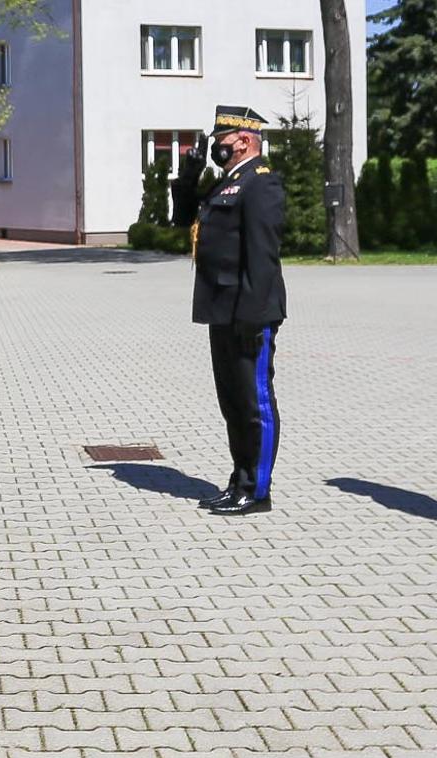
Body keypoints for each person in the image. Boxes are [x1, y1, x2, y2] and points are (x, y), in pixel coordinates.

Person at [170, 105, 286, 517]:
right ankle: (239, 479)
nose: (215, 147)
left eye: (219, 141)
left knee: (254, 401)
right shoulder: (228, 184)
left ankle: (257, 490)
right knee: (232, 402)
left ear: (243, 140)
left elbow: (262, 257)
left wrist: (252, 316)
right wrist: (188, 175)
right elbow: (181, 219)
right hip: (222, 308)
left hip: (248, 311)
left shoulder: (261, 184)